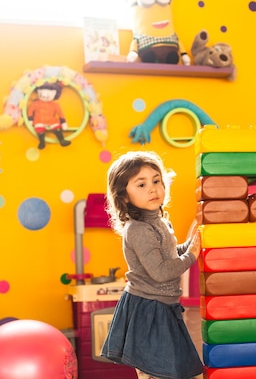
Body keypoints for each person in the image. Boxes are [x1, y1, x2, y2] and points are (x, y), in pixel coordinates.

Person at [101, 150, 203, 379]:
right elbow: (160, 271)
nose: (152, 188)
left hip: (163, 307)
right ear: (124, 196)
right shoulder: (137, 229)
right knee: (159, 372)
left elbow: (167, 255)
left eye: (156, 181)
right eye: (141, 184)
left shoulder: (160, 222)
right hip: (148, 309)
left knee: (183, 369)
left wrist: (189, 245)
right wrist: (192, 255)